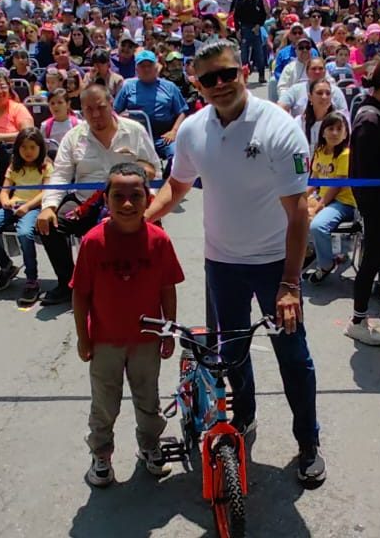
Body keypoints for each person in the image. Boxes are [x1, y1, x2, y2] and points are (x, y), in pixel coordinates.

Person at [144, 40, 328, 486]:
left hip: (274, 264)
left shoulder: (279, 127)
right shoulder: (192, 130)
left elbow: (298, 213)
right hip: (221, 263)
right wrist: (138, 222)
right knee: (231, 351)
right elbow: (177, 186)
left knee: (293, 355)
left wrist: (290, 284)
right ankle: (244, 417)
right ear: (197, 84)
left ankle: (308, 442)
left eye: (228, 73)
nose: (221, 84)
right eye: (210, 78)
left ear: (244, 70)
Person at [71, 161, 180, 487]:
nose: (128, 204)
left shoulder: (159, 241)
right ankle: (101, 454)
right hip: (105, 341)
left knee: (148, 399)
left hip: (146, 340)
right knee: (105, 403)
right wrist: (83, 337)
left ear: (148, 199)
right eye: (118, 196)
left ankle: (149, 445)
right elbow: (80, 294)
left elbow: (167, 288)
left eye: (136, 196)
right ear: (106, 199)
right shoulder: (93, 242)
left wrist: (168, 330)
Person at [36, 83, 161, 306]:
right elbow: (61, 174)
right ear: (81, 110)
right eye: (88, 109)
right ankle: (69, 283)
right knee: (50, 225)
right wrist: (49, 206)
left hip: (126, 202)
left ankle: (145, 282)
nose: (95, 115)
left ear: (111, 104)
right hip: (85, 201)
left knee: (151, 228)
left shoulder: (134, 131)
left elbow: (155, 170)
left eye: (100, 107)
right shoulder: (73, 137)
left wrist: (148, 203)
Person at [0, 128, 52, 305]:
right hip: (13, 205)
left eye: (32, 147)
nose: (28, 151)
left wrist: (27, 207)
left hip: (33, 207)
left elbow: (46, 192)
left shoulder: (45, 166)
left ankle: (32, 279)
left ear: (40, 148)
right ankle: (6, 266)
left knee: (24, 233)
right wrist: (5, 200)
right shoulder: (14, 165)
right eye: (24, 147)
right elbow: (4, 190)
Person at [305, 111, 355, 283]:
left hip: (343, 203)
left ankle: (326, 264)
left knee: (318, 226)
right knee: (291, 211)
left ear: (346, 134)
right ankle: (309, 252)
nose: (334, 133)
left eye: (339, 129)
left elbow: (336, 186)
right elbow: (315, 180)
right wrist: (300, 197)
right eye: (331, 128)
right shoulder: (319, 151)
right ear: (323, 131)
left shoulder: (345, 154)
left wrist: (318, 207)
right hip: (323, 198)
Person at [112, 50, 187, 160]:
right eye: (142, 66)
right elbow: (114, 112)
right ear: (136, 69)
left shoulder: (170, 87)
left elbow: (182, 112)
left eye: (149, 65)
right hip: (136, 137)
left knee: (177, 154)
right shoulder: (127, 87)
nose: (146, 69)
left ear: (156, 67)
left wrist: (174, 131)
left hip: (163, 137)